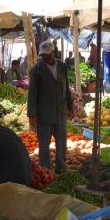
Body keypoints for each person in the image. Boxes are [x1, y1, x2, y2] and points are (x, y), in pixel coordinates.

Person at [27, 41, 74, 173]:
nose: (45, 58)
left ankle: (61, 168)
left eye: (47, 55)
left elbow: (67, 89)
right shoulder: (36, 70)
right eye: (43, 55)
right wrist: (32, 113)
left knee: (61, 143)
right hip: (44, 113)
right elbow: (32, 93)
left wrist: (71, 107)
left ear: (53, 53)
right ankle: (45, 169)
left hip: (60, 112)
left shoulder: (62, 67)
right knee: (44, 144)